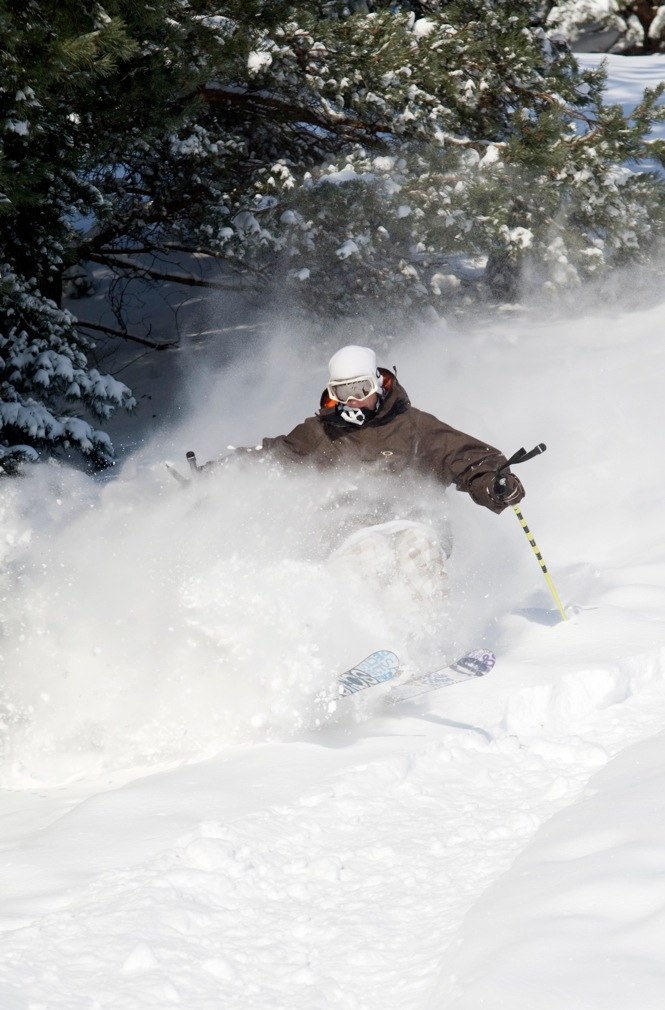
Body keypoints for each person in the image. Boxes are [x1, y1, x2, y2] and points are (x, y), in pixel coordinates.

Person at [204, 344, 524, 599]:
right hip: (348, 531)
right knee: (367, 555)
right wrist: (216, 474)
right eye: (345, 393)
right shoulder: (318, 433)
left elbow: (467, 458)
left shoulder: (416, 426)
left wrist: (495, 483)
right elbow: (274, 458)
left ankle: (426, 640)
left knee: (417, 548)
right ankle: (362, 646)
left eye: (362, 388)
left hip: (414, 521)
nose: (355, 401)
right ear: (333, 394)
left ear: (379, 384)